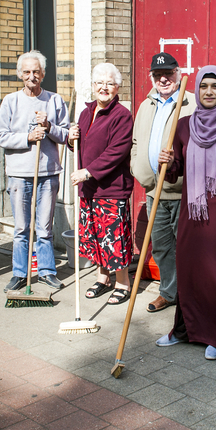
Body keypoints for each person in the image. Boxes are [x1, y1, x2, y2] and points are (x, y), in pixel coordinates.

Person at [154, 66, 216, 360]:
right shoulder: (183, 126)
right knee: (190, 272)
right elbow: (176, 171)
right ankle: (185, 331)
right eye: (204, 86)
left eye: (215, 86)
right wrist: (168, 161)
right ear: (196, 90)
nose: (209, 92)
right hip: (192, 215)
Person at [0, 50, 69, 293]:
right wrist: (28, 136)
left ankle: (47, 272)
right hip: (19, 174)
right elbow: (0, 135)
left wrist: (48, 127)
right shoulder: (10, 101)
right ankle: (20, 273)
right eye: (26, 72)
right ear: (20, 74)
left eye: (36, 71)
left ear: (43, 74)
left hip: (47, 173)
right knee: (21, 228)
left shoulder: (54, 100)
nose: (31, 76)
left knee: (44, 228)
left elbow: (67, 135)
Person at [131, 52, 195, 313]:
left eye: (168, 73)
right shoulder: (146, 104)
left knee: (187, 248)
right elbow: (136, 142)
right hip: (152, 189)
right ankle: (169, 293)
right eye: (158, 75)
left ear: (178, 73)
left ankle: (191, 297)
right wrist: (139, 168)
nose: (163, 78)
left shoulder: (191, 102)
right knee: (162, 247)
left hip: (182, 191)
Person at [67, 64, 135, 305]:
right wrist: (70, 139)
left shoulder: (122, 115)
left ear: (117, 88)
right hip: (88, 189)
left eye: (109, 83)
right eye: (99, 83)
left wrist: (88, 172)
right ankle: (102, 277)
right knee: (94, 236)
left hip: (111, 189)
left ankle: (122, 282)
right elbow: (80, 146)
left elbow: (117, 151)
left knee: (114, 238)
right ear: (93, 86)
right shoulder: (86, 112)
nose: (103, 87)